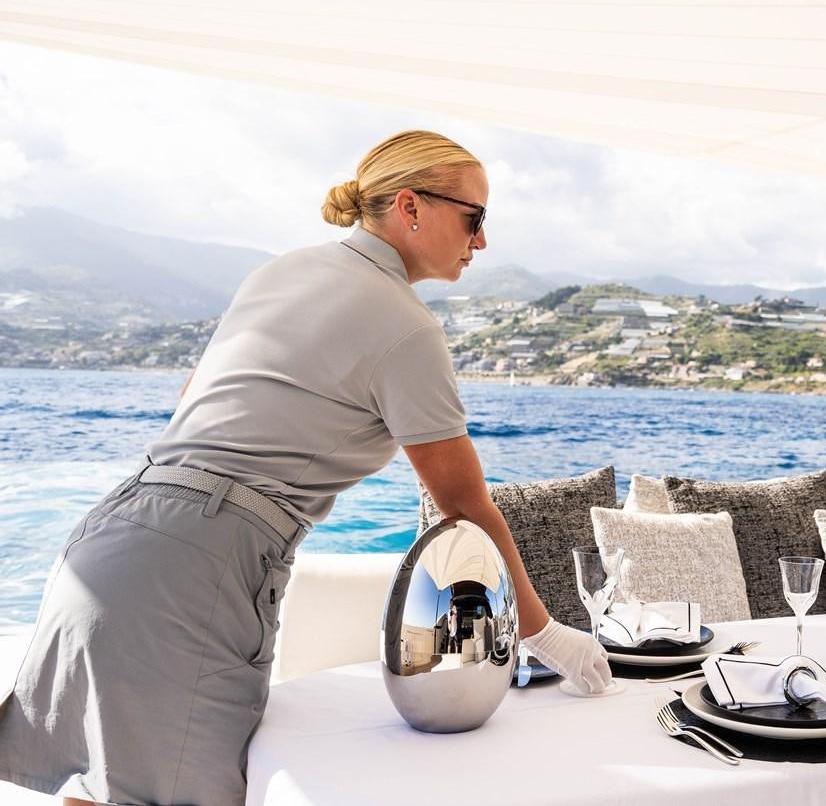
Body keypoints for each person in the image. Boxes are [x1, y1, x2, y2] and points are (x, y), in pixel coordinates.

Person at [0, 130, 612, 805]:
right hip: (199, 565)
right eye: (475, 217)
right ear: (410, 206)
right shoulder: (406, 326)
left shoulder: (280, 271)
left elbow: (194, 407)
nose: (482, 241)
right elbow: (463, 507)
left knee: (101, 786)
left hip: (117, 535)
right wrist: (548, 636)